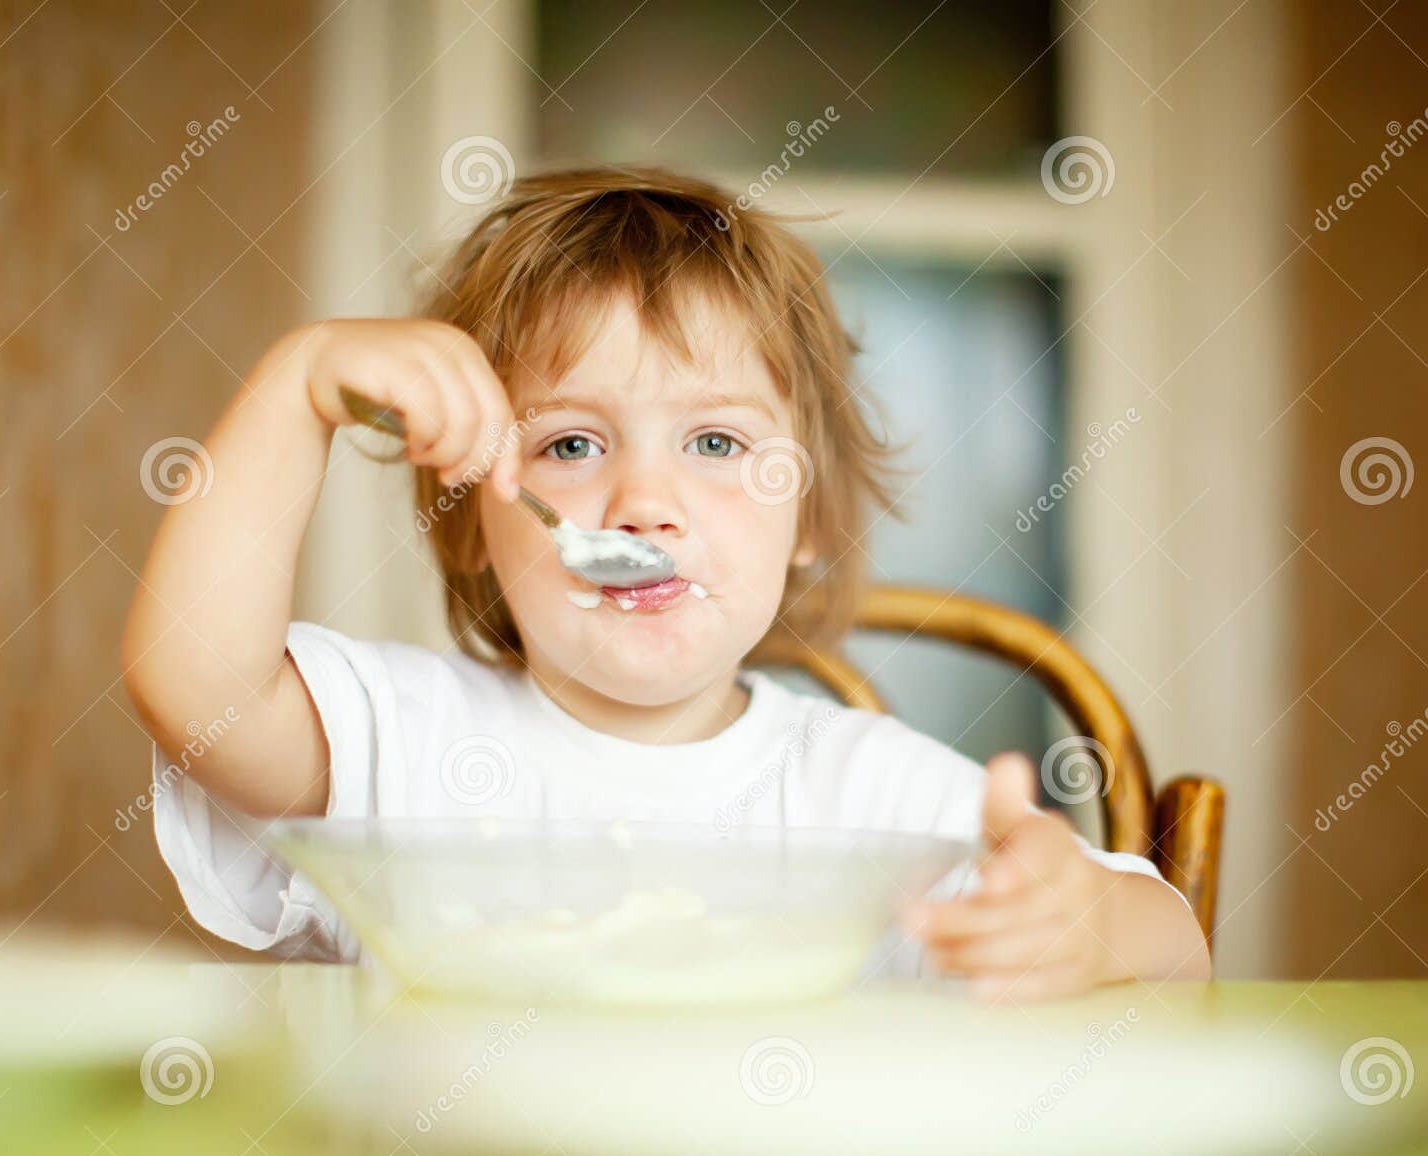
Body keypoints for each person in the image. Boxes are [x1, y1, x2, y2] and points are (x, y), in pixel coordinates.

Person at [121, 165, 1210, 999]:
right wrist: (295, 386)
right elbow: (193, 687)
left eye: (718, 446)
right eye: (572, 447)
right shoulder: (401, 744)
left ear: (811, 519)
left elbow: (1177, 952)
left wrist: (1085, 925)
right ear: (466, 530)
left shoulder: (867, 795)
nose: (646, 502)